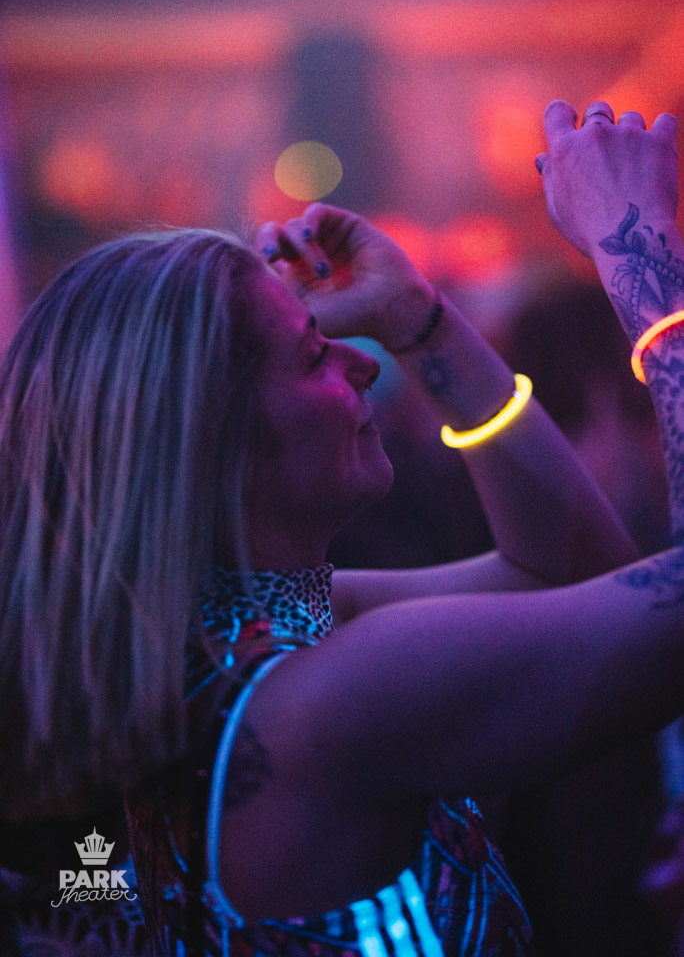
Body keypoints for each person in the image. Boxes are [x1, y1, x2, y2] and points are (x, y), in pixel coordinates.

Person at [0, 98, 681, 957]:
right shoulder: (331, 700)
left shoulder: (236, 644)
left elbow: (570, 572)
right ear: (210, 437)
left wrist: (420, 321)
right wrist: (639, 249)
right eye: (315, 355)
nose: (363, 362)